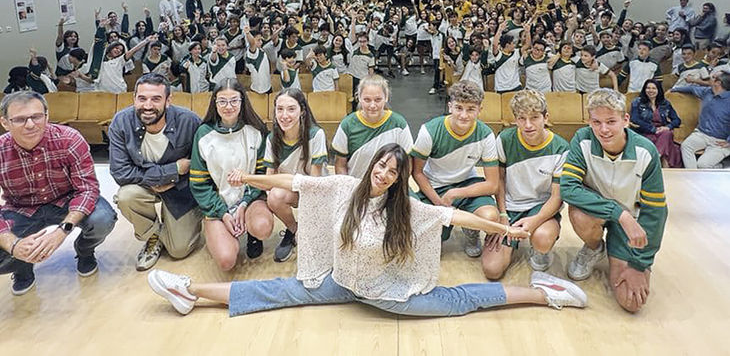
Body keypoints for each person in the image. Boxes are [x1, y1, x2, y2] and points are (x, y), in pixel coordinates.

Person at [148, 144, 587, 317]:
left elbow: (454, 218)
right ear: (372, 166)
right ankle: (190, 291)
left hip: (386, 294)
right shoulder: (342, 188)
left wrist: (508, 229)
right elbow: (293, 182)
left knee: (460, 301)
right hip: (342, 280)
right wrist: (252, 180)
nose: (384, 173)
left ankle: (545, 292)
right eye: (381, 165)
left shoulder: (407, 210)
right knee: (279, 291)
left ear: (398, 178)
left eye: (393, 171)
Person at [561, 88, 668, 313]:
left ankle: (618, 250)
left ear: (625, 120)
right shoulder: (582, 140)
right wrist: (619, 213)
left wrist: (639, 264)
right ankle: (594, 247)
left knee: (631, 302)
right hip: (602, 214)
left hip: (631, 224)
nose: (604, 129)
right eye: (596, 122)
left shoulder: (645, 151)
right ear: (589, 121)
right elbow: (568, 189)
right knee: (578, 214)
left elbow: (655, 212)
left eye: (611, 121)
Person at [0, 91, 117, 295]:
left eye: (36, 117)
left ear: (47, 116)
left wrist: (64, 230)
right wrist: (13, 244)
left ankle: (85, 251)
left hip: (66, 200)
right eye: (19, 119)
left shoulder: (69, 139)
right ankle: (22, 266)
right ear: (5, 123)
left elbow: (87, 188)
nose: (30, 125)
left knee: (103, 218)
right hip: (20, 209)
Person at [109, 73, 203, 271]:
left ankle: (182, 224)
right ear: (134, 99)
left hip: (180, 188)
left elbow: (202, 165)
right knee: (126, 196)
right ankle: (153, 236)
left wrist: (175, 178)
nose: (148, 105)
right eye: (142, 98)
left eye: (156, 99)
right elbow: (120, 172)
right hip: (146, 185)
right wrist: (173, 169)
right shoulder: (120, 122)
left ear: (168, 101)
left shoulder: (190, 121)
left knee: (179, 250)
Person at [481, 90, 569, 280]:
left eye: (534, 118)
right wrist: (503, 216)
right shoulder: (505, 139)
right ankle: (510, 240)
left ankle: (539, 249)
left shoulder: (561, 148)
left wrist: (533, 222)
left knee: (542, 240)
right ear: (515, 119)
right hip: (511, 208)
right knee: (492, 270)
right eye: (522, 118)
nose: (528, 125)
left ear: (546, 117)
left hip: (540, 208)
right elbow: (500, 181)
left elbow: (556, 197)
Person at [189, 79, 272, 270]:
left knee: (263, 227)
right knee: (226, 261)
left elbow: (261, 174)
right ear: (214, 103)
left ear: (242, 101)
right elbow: (199, 184)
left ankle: (252, 232)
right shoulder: (203, 134)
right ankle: (219, 232)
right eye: (222, 101)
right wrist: (223, 213)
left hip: (250, 200)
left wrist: (244, 203)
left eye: (234, 100)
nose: (228, 106)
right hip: (218, 204)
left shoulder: (256, 130)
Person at [410, 80, 499, 258]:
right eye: (459, 108)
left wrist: (455, 194)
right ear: (450, 107)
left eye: (470, 109)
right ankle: (444, 228)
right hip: (435, 187)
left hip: (467, 184)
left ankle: (471, 230)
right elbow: (417, 172)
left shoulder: (486, 134)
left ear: (480, 110)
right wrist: (439, 203)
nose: (464, 115)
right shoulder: (430, 130)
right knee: (428, 250)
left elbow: (492, 184)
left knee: (490, 216)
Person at [264, 89, 328, 262]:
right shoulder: (272, 139)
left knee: (317, 251)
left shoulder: (316, 135)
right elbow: (269, 178)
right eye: (280, 109)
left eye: (291, 109)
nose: (285, 115)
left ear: (302, 111)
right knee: (274, 196)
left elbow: (314, 184)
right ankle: (292, 229)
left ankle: (307, 230)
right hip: (291, 190)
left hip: (317, 194)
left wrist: (307, 229)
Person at [332, 75, 412, 178]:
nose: (373, 105)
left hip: (388, 186)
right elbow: (340, 165)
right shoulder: (347, 125)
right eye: (367, 100)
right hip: (356, 186)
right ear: (359, 98)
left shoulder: (399, 124)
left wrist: (395, 187)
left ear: (386, 97)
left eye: (378, 100)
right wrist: (349, 189)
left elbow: (407, 163)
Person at [672, 71, 730, 169]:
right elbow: (692, 88)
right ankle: (692, 177)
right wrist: (674, 89)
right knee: (686, 146)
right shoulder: (707, 92)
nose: (708, 79)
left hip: (720, 141)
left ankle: (722, 167)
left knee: (702, 164)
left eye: (712, 77)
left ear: (718, 83)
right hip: (701, 134)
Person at [630, 79, 682, 168]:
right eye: (648, 88)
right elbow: (635, 119)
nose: (651, 90)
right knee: (668, 140)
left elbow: (677, 120)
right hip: (646, 132)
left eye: (654, 88)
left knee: (667, 133)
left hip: (662, 132)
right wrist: (653, 129)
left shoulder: (665, 103)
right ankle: (664, 165)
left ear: (658, 90)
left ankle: (655, 158)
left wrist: (668, 127)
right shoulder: (637, 102)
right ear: (644, 89)